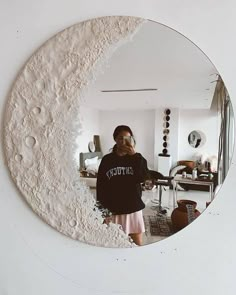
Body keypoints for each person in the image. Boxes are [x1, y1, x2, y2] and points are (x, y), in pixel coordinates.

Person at [96, 125, 149, 246]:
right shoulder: (107, 160)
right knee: (113, 244)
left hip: (133, 209)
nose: (124, 141)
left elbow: (143, 178)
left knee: (137, 245)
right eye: (120, 138)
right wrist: (102, 211)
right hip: (113, 210)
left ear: (132, 140)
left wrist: (134, 156)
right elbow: (101, 186)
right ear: (115, 139)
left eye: (127, 138)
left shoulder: (137, 158)